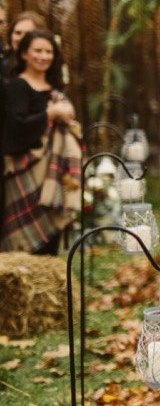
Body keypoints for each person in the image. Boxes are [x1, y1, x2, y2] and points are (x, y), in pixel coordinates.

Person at [2, 29, 81, 254]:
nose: (43, 56)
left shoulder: (55, 89)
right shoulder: (18, 86)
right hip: (27, 173)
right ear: (24, 54)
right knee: (25, 245)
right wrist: (50, 113)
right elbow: (16, 128)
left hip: (54, 175)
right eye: (37, 50)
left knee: (51, 235)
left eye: (48, 52)